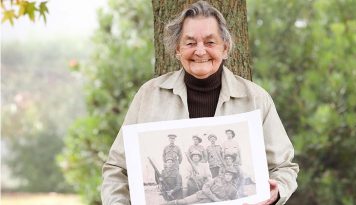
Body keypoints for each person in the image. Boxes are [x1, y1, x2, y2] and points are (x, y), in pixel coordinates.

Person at [101, 1, 299, 205]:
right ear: (177, 49)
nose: (200, 51)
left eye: (210, 42)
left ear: (225, 48)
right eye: (190, 43)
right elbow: (117, 169)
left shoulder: (256, 99)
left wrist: (276, 192)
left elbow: (284, 168)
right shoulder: (149, 96)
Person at [162, 167, 240, 205]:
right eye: (227, 174)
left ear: (233, 177)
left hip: (209, 202)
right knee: (182, 202)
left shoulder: (233, 189)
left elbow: (235, 201)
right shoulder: (217, 179)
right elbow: (205, 187)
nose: (228, 176)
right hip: (200, 195)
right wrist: (215, 198)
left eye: (230, 175)